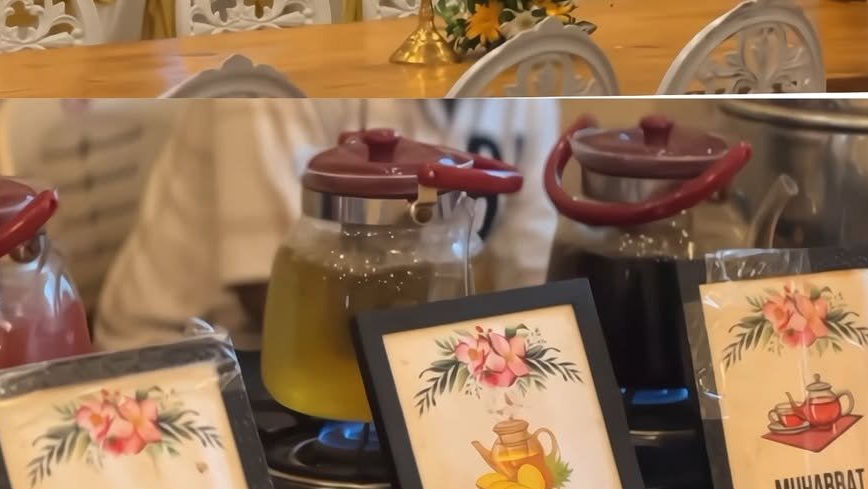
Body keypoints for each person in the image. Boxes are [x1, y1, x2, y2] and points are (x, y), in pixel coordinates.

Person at [95, 95, 561, 352]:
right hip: (185, 355)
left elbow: (531, 271)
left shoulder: (520, 75)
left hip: (381, 349)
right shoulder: (270, 71)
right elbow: (285, 296)